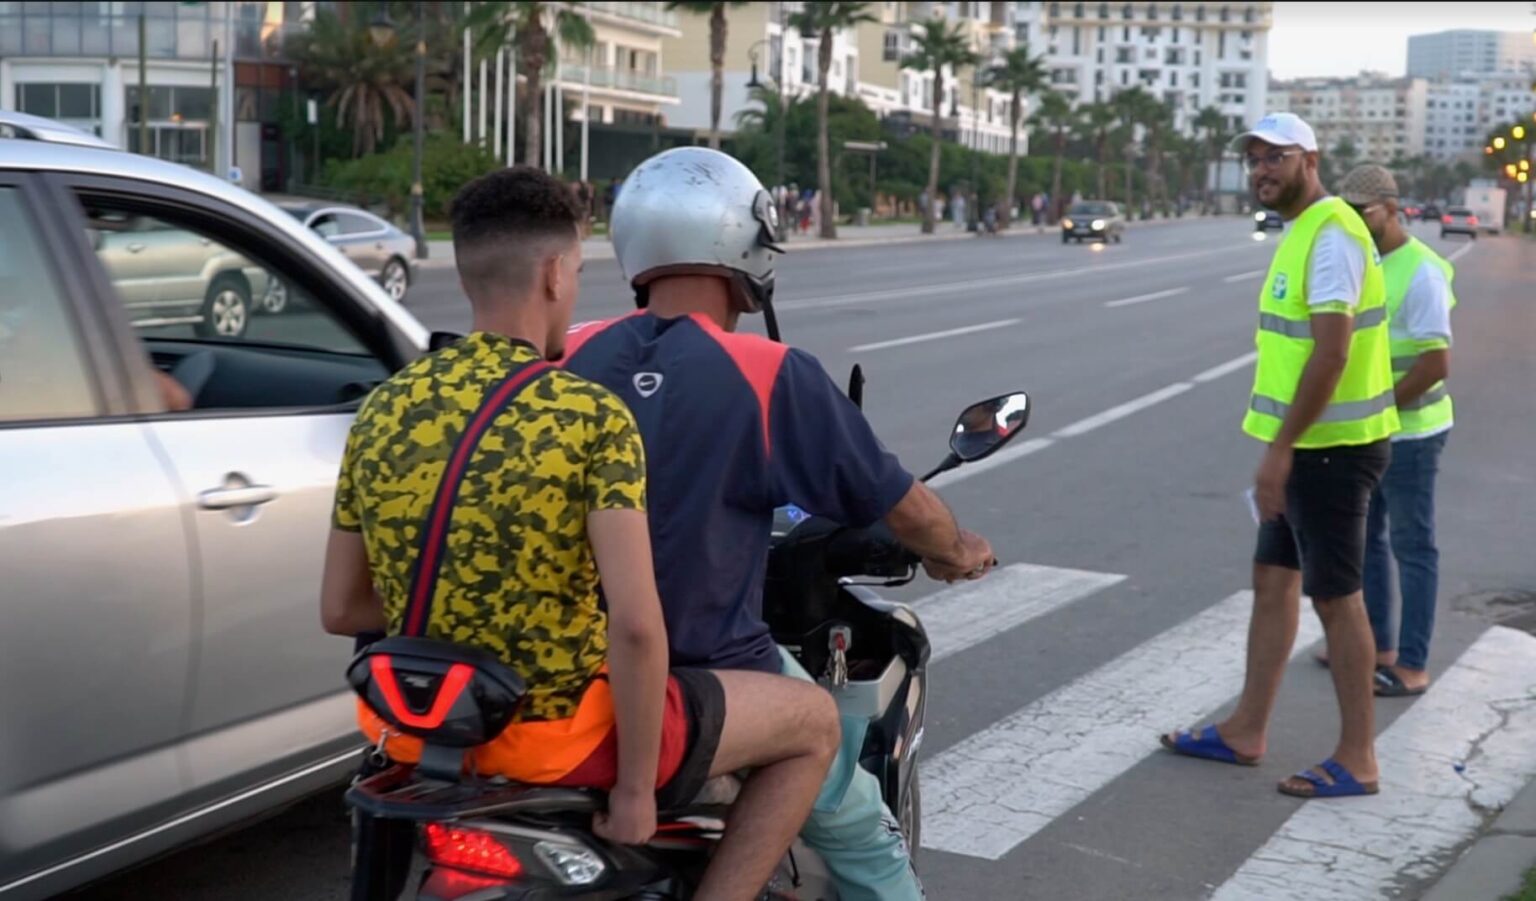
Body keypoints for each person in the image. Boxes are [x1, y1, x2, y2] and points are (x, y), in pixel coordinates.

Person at [319, 166, 839, 901]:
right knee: (815, 722)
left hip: (420, 730)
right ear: (556, 274)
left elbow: (342, 607)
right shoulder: (586, 414)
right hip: (559, 735)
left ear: (466, 275)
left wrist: (471, 607)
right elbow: (635, 626)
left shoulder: (385, 407)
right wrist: (635, 790)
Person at [561, 146, 997, 901]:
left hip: (560, 670)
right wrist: (957, 550)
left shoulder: (564, 351)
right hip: (712, 670)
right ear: (744, 245)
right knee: (861, 829)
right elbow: (903, 504)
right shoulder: (767, 372)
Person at [1160, 113, 1399, 800]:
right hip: (1309, 447)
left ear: (1310, 160)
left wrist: (1281, 450)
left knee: (1337, 597)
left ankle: (1358, 757)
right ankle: (1246, 728)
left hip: (1331, 450)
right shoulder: (1305, 230)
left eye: (1276, 157)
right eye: (1254, 159)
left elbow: (1332, 351)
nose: (1262, 169)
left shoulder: (1331, 233)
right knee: (1273, 578)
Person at [1328, 164, 1456, 698]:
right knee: (1367, 541)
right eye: (1348, 212)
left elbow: (1435, 363)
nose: (1355, 221)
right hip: (1374, 430)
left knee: (1413, 546)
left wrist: (1379, 407)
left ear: (1392, 209)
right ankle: (1376, 646)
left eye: (1363, 212)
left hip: (1414, 433)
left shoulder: (1421, 270)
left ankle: (1413, 663)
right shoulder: (1366, 262)